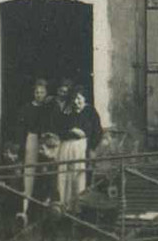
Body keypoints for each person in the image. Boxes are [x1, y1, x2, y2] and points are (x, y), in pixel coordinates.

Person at [54, 83, 105, 203]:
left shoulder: (90, 111)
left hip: (82, 148)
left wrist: (92, 147)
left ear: (84, 98)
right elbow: (59, 129)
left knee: (80, 177)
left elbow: (97, 131)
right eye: (74, 99)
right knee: (65, 177)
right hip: (66, 147)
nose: (76, 102)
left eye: (79, 98)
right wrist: (72, 131)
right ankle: (65, 204)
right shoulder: (67, 112)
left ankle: (79, 206)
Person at [17, 79, 54, 218]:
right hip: (32, 139)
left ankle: (43, 207)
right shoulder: (27, 108)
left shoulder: (48, 108)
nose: (39, 95)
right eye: (37, 92)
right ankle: (26, 207)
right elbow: (21, 128)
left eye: (42, 92)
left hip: (45, 140)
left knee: (45, 172)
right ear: (33, 93)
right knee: (30, 171)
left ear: (46, 93)